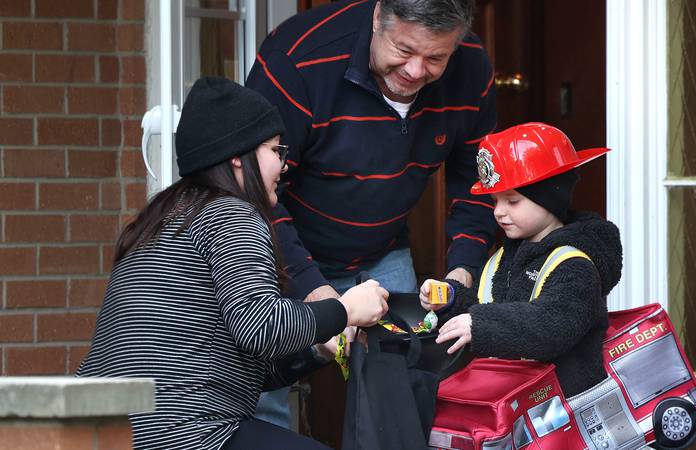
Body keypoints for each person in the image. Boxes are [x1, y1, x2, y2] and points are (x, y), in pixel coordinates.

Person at [76, 77, 390, 450]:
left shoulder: (164, 217)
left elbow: (237, 360)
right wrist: (344, 308)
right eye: (276, 150)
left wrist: (317, 348)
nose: (284, 165)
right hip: (177, 430)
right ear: (239, 156)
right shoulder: (230, 214)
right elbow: (261, 328)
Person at [246, 0, 497, 426]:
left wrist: (462, 276)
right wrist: (320, 297)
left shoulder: (471, 67)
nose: (416, 71)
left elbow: (476, 185)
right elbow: (255, 193)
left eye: (436, 57)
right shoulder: (298, 58)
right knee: (261, 391)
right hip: (278, 254)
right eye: (403, 50)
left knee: (404, 380)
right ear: (379, 16)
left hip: (381, 251)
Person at [420, 122, 623, 397]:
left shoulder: (575, 265)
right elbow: (483, 307)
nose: (499, 212)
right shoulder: (502, 258)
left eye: (512, 201)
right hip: (513, 403)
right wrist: (451, 299)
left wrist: (480, 325)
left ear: (550, 198)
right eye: (494, 201)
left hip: (564, 409)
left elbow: (552, 324)